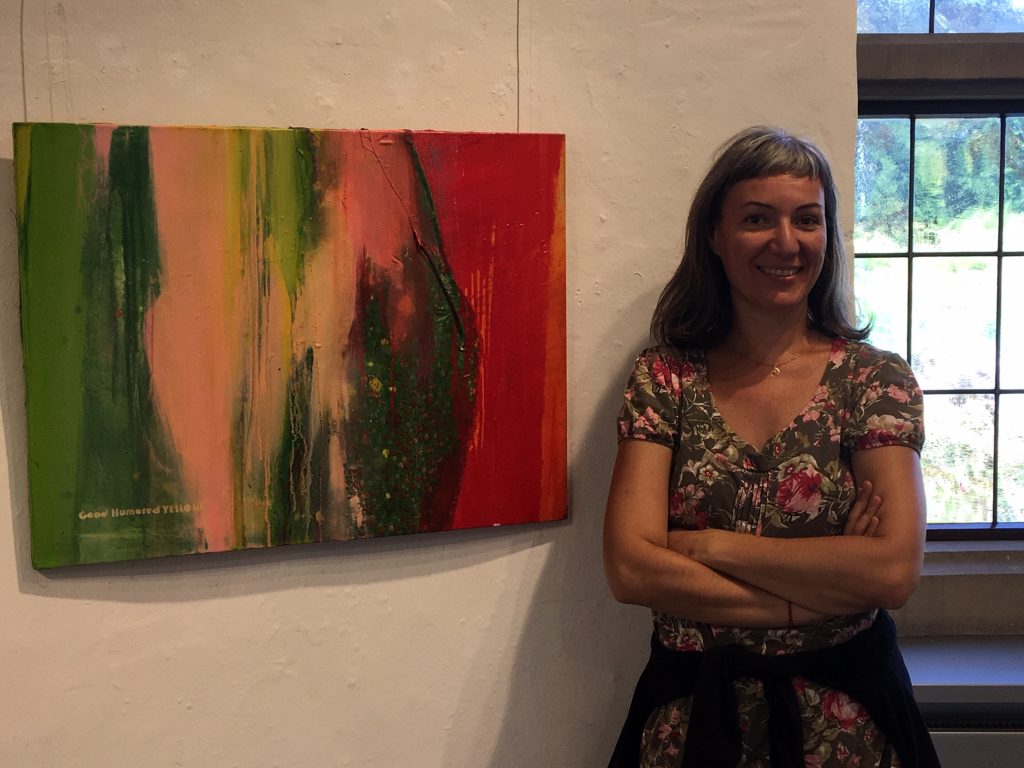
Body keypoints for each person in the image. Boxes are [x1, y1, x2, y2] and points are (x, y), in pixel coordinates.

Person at [603, 126, 941, 768]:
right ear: (715, 235)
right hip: (694, 724)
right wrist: (815, 589)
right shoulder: (665, 378)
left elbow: (892, 573)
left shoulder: (874, 380)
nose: (786, 243)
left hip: (847, 729)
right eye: (757, 219)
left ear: (828, 235)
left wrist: (708, 547)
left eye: (807, 220)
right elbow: (630, 569)